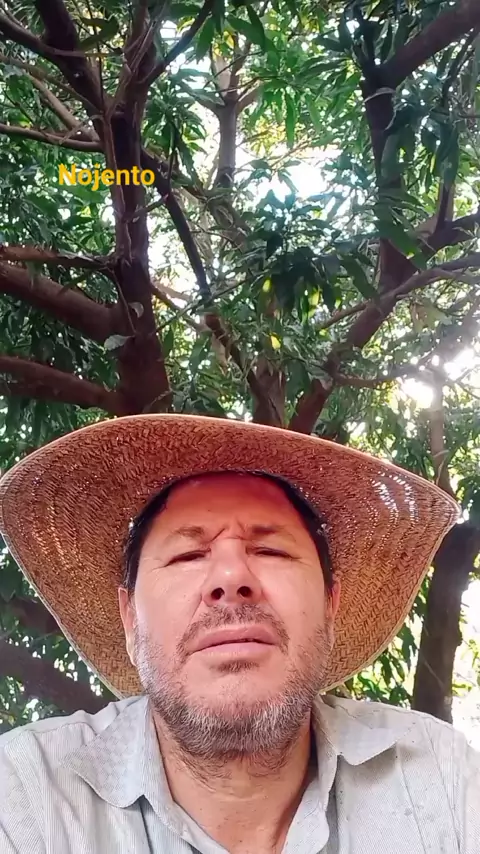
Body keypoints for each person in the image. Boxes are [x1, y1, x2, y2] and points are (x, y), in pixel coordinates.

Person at [0, 414, 478, 854]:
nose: (231, 578)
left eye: (271, 551)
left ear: (330, 606)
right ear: (130, 619)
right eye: (188, 556)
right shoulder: (24, 796)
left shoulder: (442, 777)